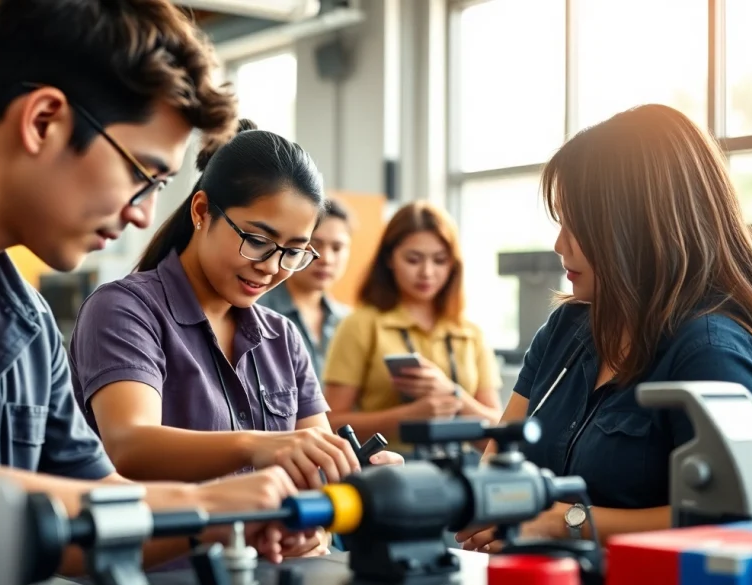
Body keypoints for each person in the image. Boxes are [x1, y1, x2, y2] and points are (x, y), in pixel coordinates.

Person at [0, 0, 308, 576]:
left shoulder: (27, 319)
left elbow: (99, 512)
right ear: (43, 120)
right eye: (143, 176)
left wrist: (233, 520)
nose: (143, 216)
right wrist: (202, 504)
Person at [455, 104, 752, 553]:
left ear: (639, 225)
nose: (560, 244)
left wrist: (566, 523)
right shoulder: (566, 330)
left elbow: (739, 514)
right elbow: (498, 467)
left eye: (578, 226)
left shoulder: (710, 350)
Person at [68, 121, 403, 558]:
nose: (272, 266)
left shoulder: (282, 337)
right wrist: (261, 446)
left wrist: (323, 518)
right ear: (201, 210)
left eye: (294, 251)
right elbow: (130, 443)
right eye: (258, 240)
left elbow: (316, 475)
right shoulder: (125, 310)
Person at [321, 201, 505, 450]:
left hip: (463, 475)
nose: (427, 272)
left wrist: (454, 396)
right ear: (389, 258)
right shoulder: (360, 325)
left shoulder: (469, 332)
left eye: (440, 260)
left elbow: (498, 430)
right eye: (413, 259)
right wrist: (407, 416)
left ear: (453, 265)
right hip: (389, 475)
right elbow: (331, 424)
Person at [257, 198, 354, 383]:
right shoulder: (257, 310)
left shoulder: (349, 321)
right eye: (315, 245)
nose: (326, 258)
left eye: (337, 247)